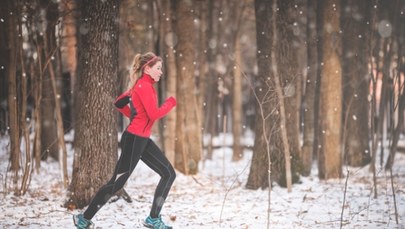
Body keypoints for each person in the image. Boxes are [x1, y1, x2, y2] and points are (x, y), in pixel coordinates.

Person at [73, 52, 177, 229]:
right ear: (147, 69)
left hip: (141, 139)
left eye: (161, 69)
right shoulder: (144, 86)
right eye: (158, 68)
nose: (161, 72)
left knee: (168, 173)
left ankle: (153, 218)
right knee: (117, 182)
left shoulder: (141, 86)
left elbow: (119, 103)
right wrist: (170, 103)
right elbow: (153, 114)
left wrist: (135, 117)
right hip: (134, 140)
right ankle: (84, 218)